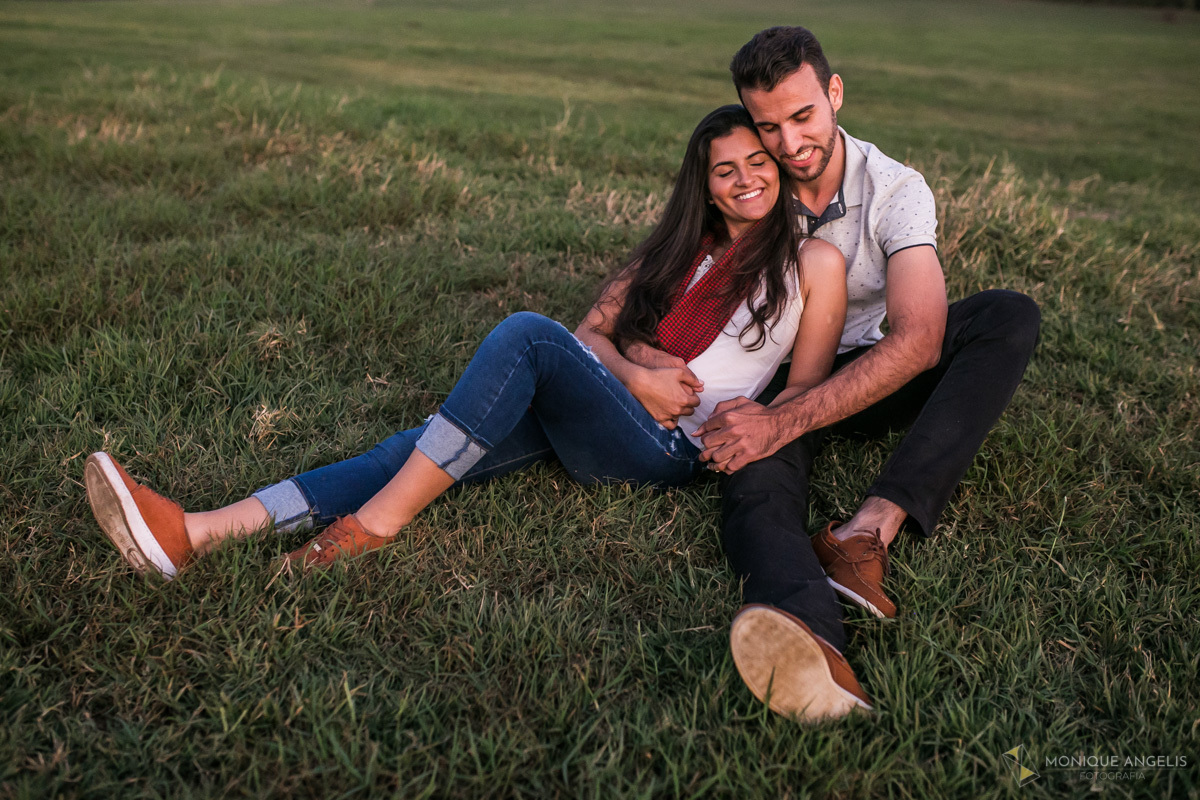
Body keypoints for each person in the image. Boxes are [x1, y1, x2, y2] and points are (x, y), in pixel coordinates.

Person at [84, 108, 854, 711]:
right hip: (612, 405)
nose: (745, 179)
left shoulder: (814, 262)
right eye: (726, 169)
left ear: (779, 170)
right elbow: (595, 334)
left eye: (759, 162)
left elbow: (803, 391)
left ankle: (375, 528)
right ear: (704, 182)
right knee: (417, 449)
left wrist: (724, 420)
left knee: (526, 336)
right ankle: (196, 532)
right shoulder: (672, 249)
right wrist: (638, 367)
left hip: (664, 447)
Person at [624, 27, 1041, 721]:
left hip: (857, 369)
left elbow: (919, 340)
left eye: (802, 116)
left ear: (835, 94)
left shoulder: (895, 189)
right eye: (768, 126)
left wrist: (786, 419)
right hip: (756, 368)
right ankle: (815, 643)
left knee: (1006, 317)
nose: (788, 145)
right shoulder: (752, 176)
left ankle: (867, 529)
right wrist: (643, 361)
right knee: (755, 482)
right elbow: (668, 274)